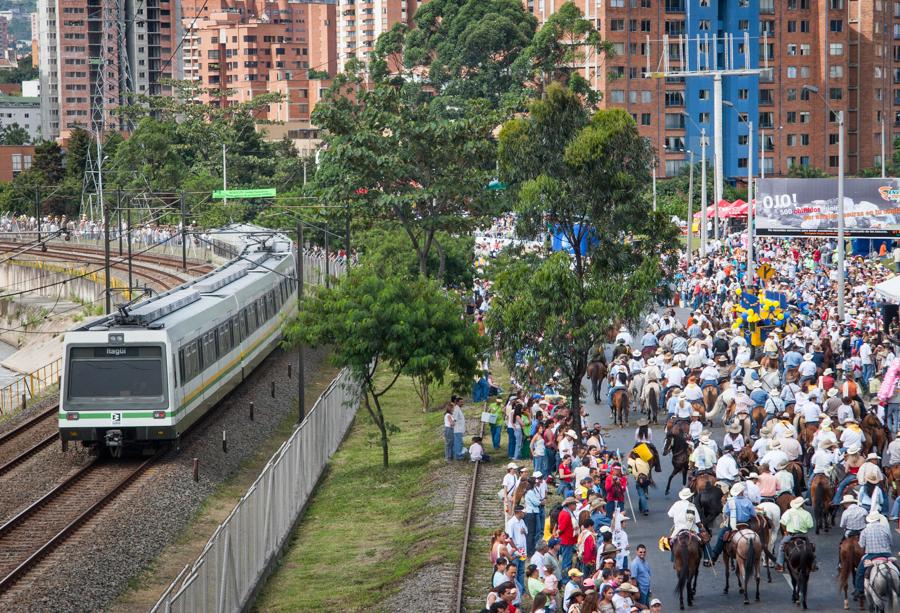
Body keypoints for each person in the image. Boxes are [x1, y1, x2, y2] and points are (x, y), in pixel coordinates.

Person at [710, 482, 756, 565]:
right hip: (746, 524)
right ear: (742, 492)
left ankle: (714, 556)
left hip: (733, 524)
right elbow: (753, 514)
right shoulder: (748, 502)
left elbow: (726, 513)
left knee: (721, 536)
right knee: (756, 535)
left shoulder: (730, 501)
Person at [854, 510, 894, 599]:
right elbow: (891, 543)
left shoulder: (865, 530)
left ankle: (859, 590)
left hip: (872, 555)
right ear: (878, 519)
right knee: (896, 569)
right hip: (886, 555)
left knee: (860, 572)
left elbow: (861, 545)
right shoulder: (885, 528)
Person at [775, 497, 814, 572]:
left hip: (791, 535)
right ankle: (812, 564)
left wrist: (785, 531)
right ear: (802, 505)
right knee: (811, 548)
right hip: (803, 535)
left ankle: (780, 565)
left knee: (782, 547)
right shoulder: (806, 513)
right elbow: (810, 525)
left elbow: (782, 522)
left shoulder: (789, 512)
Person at [507, 505, 529, 596]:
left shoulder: (522, 521)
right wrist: (515, 549)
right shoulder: (511, 523)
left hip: (523, 550)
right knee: (515, 571)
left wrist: (524, 531)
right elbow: (510, 538)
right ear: (518, 512)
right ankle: (515, 588)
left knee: (521, 570)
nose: (524, 513)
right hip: (516, 551)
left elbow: (526, 531)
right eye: (523, 512)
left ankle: (521, 589)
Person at [558, 497, 579, 577]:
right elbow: (562, 528)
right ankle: (565, 579)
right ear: (570, 505)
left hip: (569, 540)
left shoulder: (568, 513)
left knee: (568, 561)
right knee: (566, 562)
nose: (576, 506)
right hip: (566, 541)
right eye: (574, 504)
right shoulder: (566, 514)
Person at [627, 449, 651, 516]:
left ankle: (645, 509)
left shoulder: (632, 462)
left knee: (641, 495)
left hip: (639, 480)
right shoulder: (645, 461)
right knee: (643, 494)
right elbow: (648, 470)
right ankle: (641, 507)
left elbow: (629, 471)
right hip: (646, 480)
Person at [452, 395, 467, 459]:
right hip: (457, 429)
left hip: (459, 429)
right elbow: (454, 419)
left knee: (459, 442)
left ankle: (458, 454)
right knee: (458, 443)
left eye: (462, 402)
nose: (462, 403)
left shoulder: (458, 408)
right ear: (457, 402)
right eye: (461, 402)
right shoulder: (456, 409)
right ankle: (458, 455)